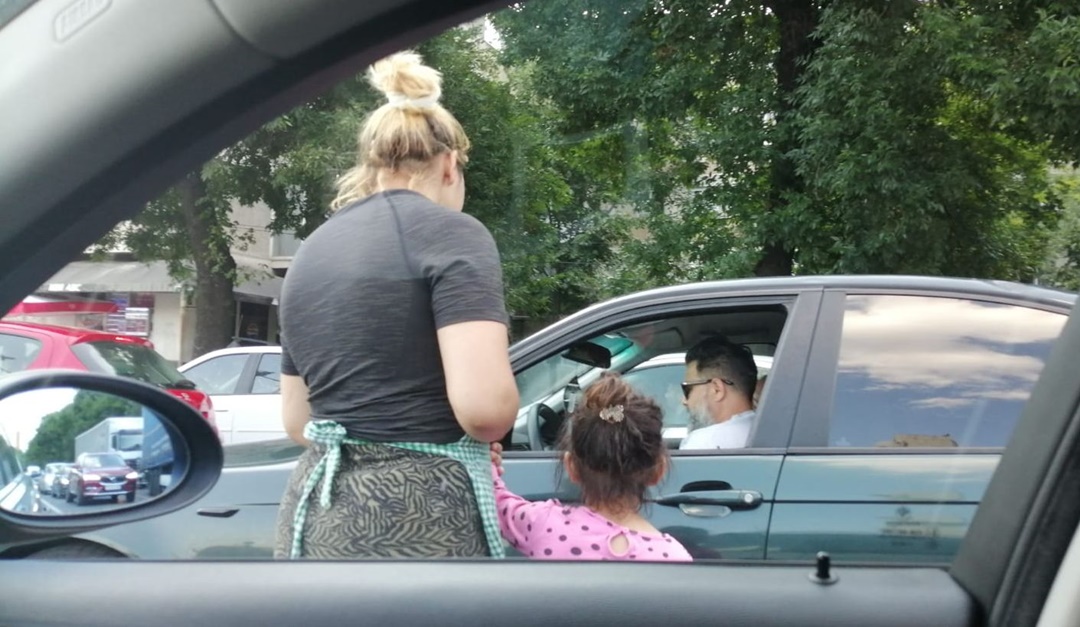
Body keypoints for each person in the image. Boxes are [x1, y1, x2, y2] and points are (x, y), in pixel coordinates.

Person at [273, 51, 519, 560]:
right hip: (416, 515)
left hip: (315, 515)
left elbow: (299, 422)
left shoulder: (312, 250)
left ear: (375, 166)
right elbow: (485, 412)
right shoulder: (454, 234)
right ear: (449, 164)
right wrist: (473, 437)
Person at [490, 372, 692, 562]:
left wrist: (488, 461)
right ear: (659, 470)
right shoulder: (673, 557)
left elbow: (494, 501)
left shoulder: (543, 524)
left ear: (571, 467)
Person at [679, 336, 758, 450]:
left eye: (687, 389)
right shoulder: (770, 432)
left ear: (717, 389)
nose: (684, 401)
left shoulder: (702, 443)